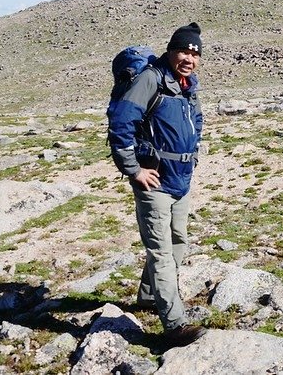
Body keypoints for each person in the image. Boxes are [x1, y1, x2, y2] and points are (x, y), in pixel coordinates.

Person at [106, 22, 206, 348]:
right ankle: (174, 325)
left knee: (179, 243)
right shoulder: (150, 79)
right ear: (171, 51)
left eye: (194, 52)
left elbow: (197, 122)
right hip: (155, 182)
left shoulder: (188, 84)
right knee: (161, 253)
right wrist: (134, 170)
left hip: (181, 180)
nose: (189, 58)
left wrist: (192, 154)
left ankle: (150, 296)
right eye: (183, 51)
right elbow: (121, 123)